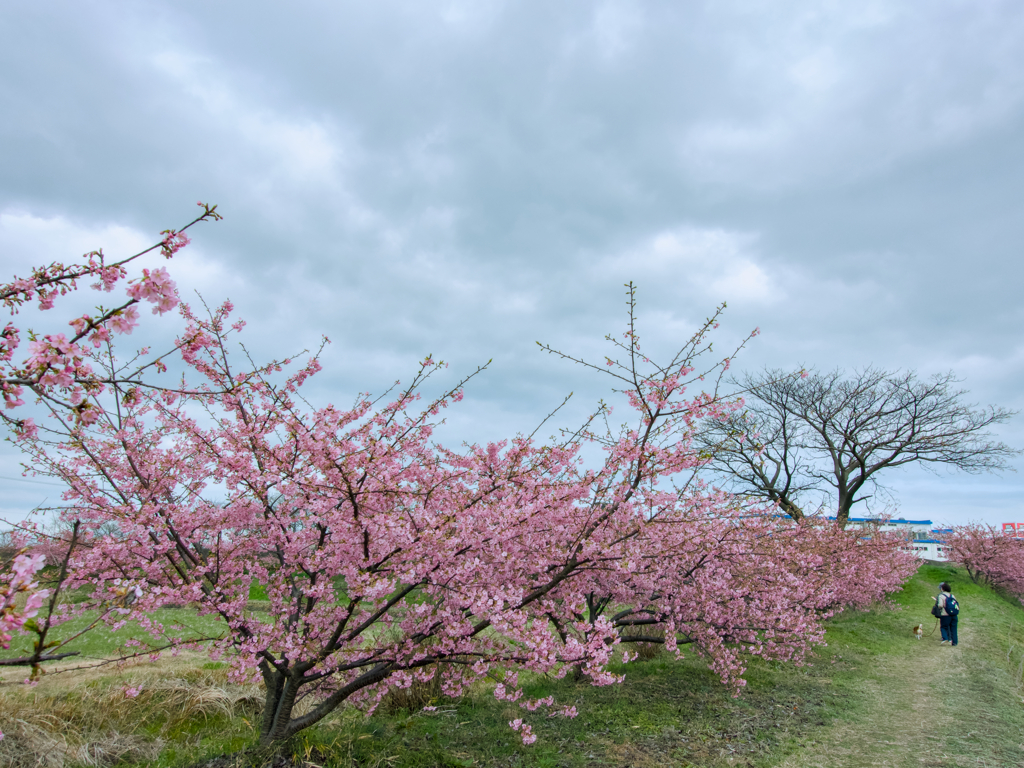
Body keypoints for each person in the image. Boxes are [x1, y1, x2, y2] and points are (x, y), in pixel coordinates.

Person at [936, 581, 958, 647]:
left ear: (942, 589)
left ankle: (945, 638)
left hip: (945, 615)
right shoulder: (952, 596)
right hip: (954, 615)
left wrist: (938, 606)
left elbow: (940, 605)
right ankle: (954, 642)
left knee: (943, 627)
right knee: (953, 628)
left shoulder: (941, 596)